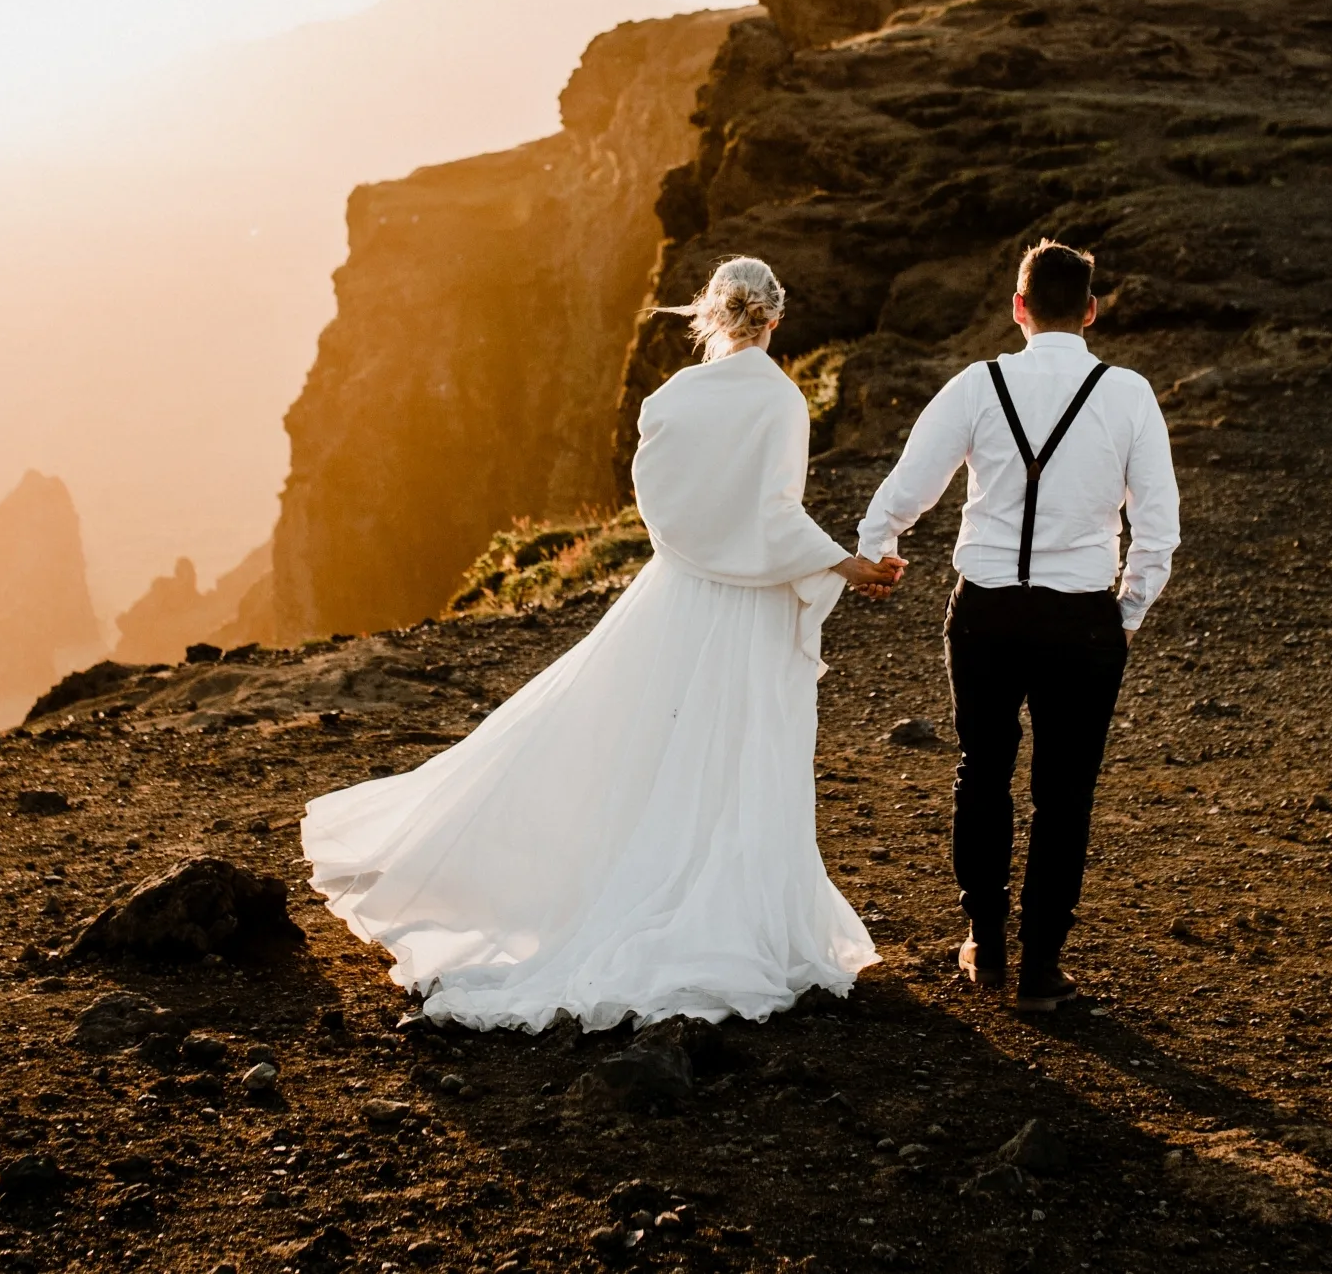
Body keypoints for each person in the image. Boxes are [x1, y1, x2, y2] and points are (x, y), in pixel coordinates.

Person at [300, 255, 904, 1030]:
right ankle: (726, 910)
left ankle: (610, 883)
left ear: (710, 313)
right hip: (745, 611)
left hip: (675, 593)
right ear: (775, 319)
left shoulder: (674, 397)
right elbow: (776, 515)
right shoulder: (781, 401)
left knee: (640, 744)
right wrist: (847, 564)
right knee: (736, 751)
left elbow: (658, 500)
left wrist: (700, 549)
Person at [855, 239, 1179, 1011]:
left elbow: (910, 483)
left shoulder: (978, 383)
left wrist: (878, 550)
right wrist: (1126, 609)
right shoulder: (1129, 392)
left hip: (988, 611)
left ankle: (985, 941)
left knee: (982, 772)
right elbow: (1158, 524)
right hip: (1081, 618)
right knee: (1065, 793)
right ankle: (1041, 970)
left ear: (1018, 307)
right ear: (1091, 310)